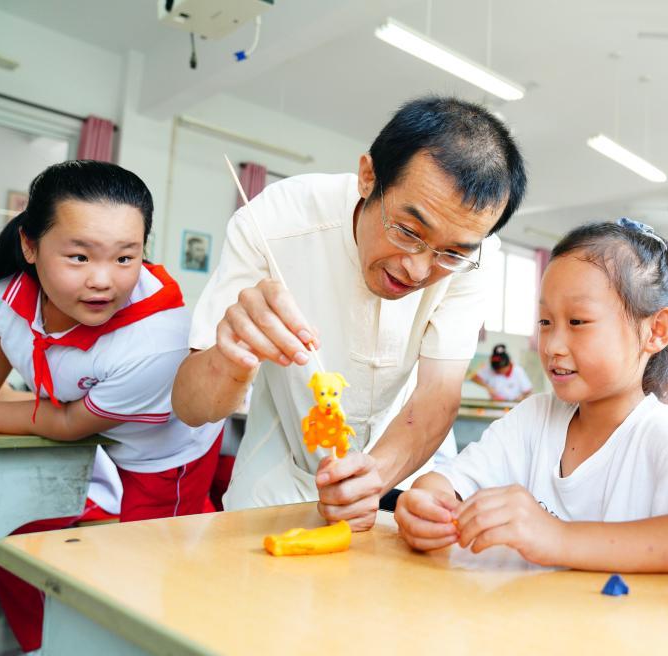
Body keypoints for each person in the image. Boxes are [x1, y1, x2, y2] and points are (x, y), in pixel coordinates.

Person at [171, 97, 527, 530]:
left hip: (402, 474)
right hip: (275, 487)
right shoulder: (277, 220)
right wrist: (233, 356)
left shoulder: (475, 257)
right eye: (407, 231)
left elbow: (437, 394)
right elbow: (191, 408)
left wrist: (372, 480)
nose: (417, 270)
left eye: (450, 253)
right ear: (368, 177)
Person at [394, 220, 668, 575]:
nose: (553, 345)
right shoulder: (533, 417)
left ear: (655, 331)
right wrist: (426, 504)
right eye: (545, 322)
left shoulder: (662, 431)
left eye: (578, 322)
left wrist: (559, 537)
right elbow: (448, 484)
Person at [0, 160, 223, 656]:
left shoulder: (157, 342)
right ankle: (41, 648)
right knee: (15, 537)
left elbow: (68, 423)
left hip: (164, 453)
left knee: (148, 572)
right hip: (83, 421)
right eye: (78, 256)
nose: (102, 281)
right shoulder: (0, 288)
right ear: (30, 246)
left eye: (125, 258)